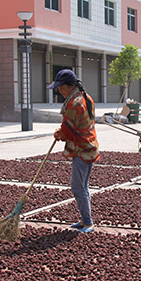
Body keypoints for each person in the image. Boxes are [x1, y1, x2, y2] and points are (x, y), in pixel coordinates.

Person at [47, 69, 99, 233]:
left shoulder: (75, 103)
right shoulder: (85, 97)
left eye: (62, 87)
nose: (60, 91)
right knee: (83, 186)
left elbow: (68, 129)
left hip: (82, 149)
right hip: (88, 146)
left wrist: (59, 134)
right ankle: (85, 220)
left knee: (78, 187)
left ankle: (88, 223)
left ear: (70, 86)